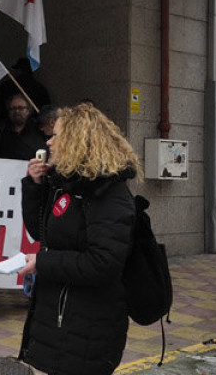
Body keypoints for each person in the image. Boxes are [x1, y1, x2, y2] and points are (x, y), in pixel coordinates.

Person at [18, 104, 139, 375]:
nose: (48, 141)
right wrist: (36, 187)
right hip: (58, 321)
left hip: (87, 327)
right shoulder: (66, 184)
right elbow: (41, 233)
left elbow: (103, 262)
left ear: (78, 142)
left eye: (57, 136)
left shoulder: (109, 194)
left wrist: (43, 262)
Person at [0, 94, 47, 160]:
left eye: (20, 108)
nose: (17, 111)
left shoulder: (39, 129)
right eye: (13, 108)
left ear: (28, 110)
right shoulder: (1, 129)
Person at [0, 58, 51, 123]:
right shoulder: (40, 88)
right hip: (34, 125)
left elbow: (0, 110)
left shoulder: (7, 86)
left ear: (19, 70)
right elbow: (47, 111)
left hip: (10, 125)